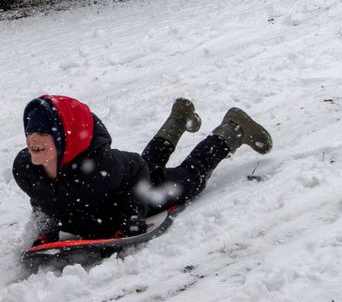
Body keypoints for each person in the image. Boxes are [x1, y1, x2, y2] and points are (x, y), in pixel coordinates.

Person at [14, 95, 273, 243]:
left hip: (139, 194)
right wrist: (46, 229)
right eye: (30, 132)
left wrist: (131, 220)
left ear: (65, 140)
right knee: (148, 162)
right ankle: (179, 119)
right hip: (119, 185)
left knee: (190, 178)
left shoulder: (98, 169)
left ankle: (232, 130)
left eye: (43, 133)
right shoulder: (26, 169)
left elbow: (137, 168)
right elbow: (41, 195)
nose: (33, 139)